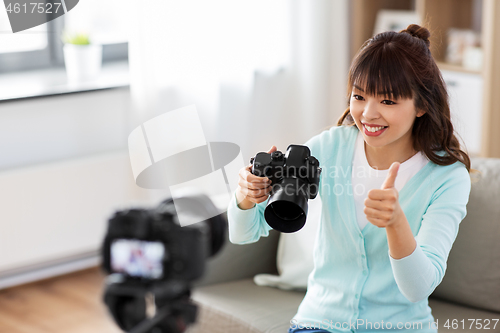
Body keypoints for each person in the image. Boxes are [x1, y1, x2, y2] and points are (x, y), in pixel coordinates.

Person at [227, 24, 474, 333]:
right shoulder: (327, 149)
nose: (368, 114)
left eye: (387, 101)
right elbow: (244, 234)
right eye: (359, 96)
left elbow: (418, 287)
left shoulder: (448, 177)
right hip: (319, 323)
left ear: (422, 104)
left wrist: (396, 224)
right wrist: (247, 195)